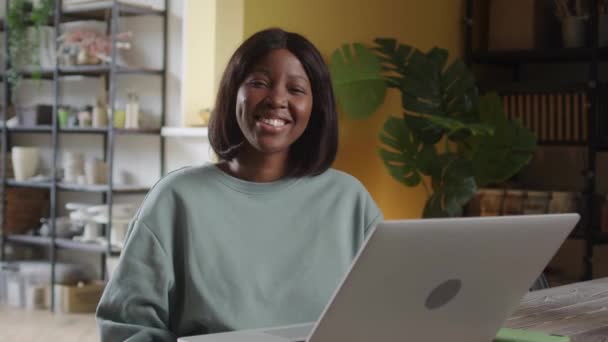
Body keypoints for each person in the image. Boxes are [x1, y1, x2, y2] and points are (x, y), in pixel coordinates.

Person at [96, 27, 383, 341]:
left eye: (296, 89)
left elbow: (390, 310)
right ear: (234, 92)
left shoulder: (350, 200)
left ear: (316, 107)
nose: (277, 99)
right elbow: (125, 330)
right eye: (259, 83)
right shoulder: (176, 199)